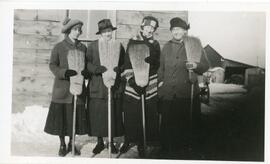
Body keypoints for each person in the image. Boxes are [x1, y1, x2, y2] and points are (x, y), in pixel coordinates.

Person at [158, 17, 209, 154]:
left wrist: (196, 66)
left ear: (185, 31)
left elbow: (205, 65)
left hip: (186, 92)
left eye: (180, 29)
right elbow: (161, 67)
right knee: (168, 124)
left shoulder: (194, 45)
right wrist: (160, 82)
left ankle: (184, 152)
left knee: (184, 124)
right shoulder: (167, 46)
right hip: (168, 92)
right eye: (174, 29)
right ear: (171, 31)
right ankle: (167, 150)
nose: (177, 32)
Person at [44, 18, 89, 157]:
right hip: (63, 89)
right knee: (62, 119)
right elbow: (52, 65)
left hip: (78, 87)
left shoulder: (82, 48)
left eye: (79, 30)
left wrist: (86, 72)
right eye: (75, 30)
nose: (78, 32)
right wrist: (64, 72)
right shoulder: (59, 47)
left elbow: (85, 65)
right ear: (69, 31)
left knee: (73, 118)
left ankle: (72, 142)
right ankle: (62, 144)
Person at [120, 16, 161, 157]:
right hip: (133, 82)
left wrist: (153, 62)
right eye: (148, 27)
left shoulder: (155, 44)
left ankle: (142, 142)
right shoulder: (133, 41)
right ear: (143, 27)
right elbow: (127, 62)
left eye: (153, 28)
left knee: (147, 111)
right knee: (132, 112)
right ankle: (128, 140)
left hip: (149, 81)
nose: (150, 30)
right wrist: (132, 81)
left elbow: (157, 63)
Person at [86, 19, 125, 154]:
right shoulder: (93, 46)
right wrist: (96, 69)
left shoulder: (118, 46)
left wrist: (119, 69)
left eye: (109, 31)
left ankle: (111, 142)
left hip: (113, 85)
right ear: (100, 33)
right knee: (98, 114)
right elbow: (87, 64)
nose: (107, 34)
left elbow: (123, 63)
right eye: (105, 32)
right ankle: (100, 142)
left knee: (112, 113)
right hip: (98, 85)